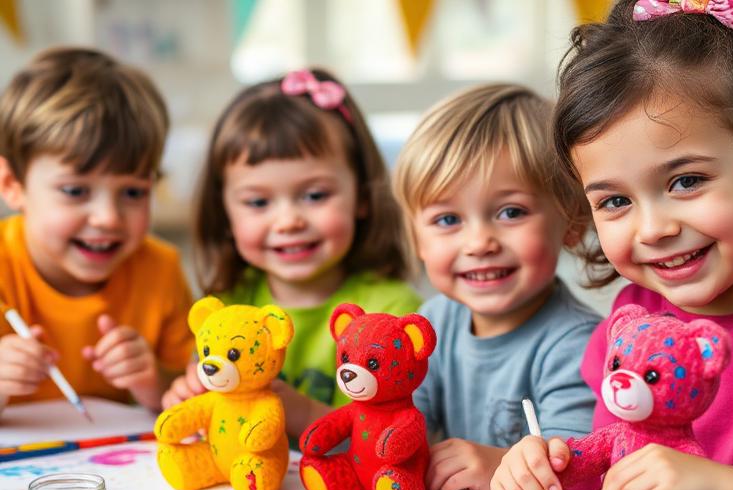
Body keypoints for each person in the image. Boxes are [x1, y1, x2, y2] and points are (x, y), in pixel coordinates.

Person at [495, 0, 733, 490]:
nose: (654, 229)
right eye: (615, 201)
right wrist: (534, 481)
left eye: (686, 180)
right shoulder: (633, 318)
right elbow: (611, 465)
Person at [162, 68, 420, 439]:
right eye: (258, 201)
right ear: (225, 213)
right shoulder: (228, 306)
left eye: (314, 195)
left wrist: (300, 412)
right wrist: (188, 396)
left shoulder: (391, 315)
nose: (288, 221)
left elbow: (392, 439)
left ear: (362, 196)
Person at [393, 83, 599, 490]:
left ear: (573, 223)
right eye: (448, 219)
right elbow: (396, 422)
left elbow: (580, 471)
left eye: (511, 212)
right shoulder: (431, 323)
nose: (479, 242)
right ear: (417, 240)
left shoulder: (581, 344)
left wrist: (499, 466)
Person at [0, 47, 194, 413]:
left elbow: (196, 395)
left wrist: (153, 381)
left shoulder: (161, 270)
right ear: (12, 184)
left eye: (133, 192)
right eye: (75, 191)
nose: (108, 217)